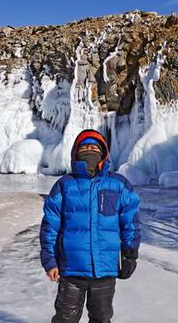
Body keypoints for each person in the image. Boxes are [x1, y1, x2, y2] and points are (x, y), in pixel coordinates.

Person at [39, 128, 141, 323]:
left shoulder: (119, 185)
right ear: (75, 154)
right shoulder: (65, 185)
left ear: (103, 154)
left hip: (105, 268)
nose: (89, 151)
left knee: (101, 318)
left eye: (94, 148)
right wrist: (50, 261)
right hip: (71, 269)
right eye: (84, 148)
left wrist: (130, 254)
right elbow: (50, 227)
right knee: (65, 319)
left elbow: (131, 222)